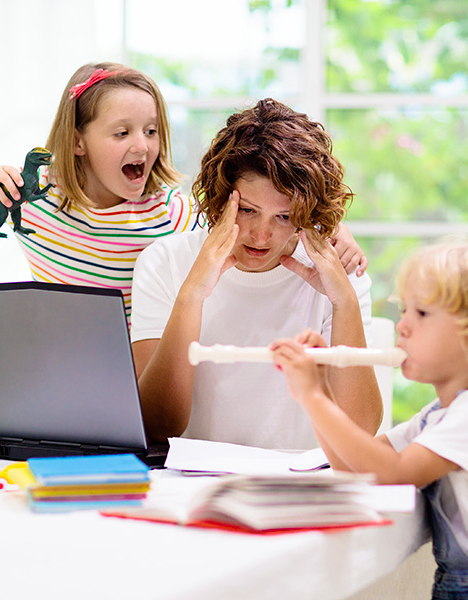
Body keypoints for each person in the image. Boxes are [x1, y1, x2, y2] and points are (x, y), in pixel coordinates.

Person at [0, 63, 366, 327]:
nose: (142, 146)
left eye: (151, 131)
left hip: (137, 372)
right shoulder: (31, 196)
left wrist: (330, 227)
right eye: (122, 133)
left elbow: (259, 216)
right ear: (77, 141)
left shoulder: (172, 213)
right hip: (57, 363)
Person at [271, 240, 468, 599]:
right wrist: (320, 391)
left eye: (421, 314)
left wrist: (313, 397)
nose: (402, 326)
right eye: (404, 310)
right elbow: (353, 468)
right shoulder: (441, 415)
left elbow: (395, 474)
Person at [131, 98, 383, 450]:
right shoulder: (164, 263)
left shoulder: (337, 274)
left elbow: (360, 432)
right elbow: (158, 424)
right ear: (220, 199)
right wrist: (191, 296)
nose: (261, 236)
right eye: (247, 210)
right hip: (192, 485)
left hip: (299, 483)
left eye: (283, 217)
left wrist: (344, 302)